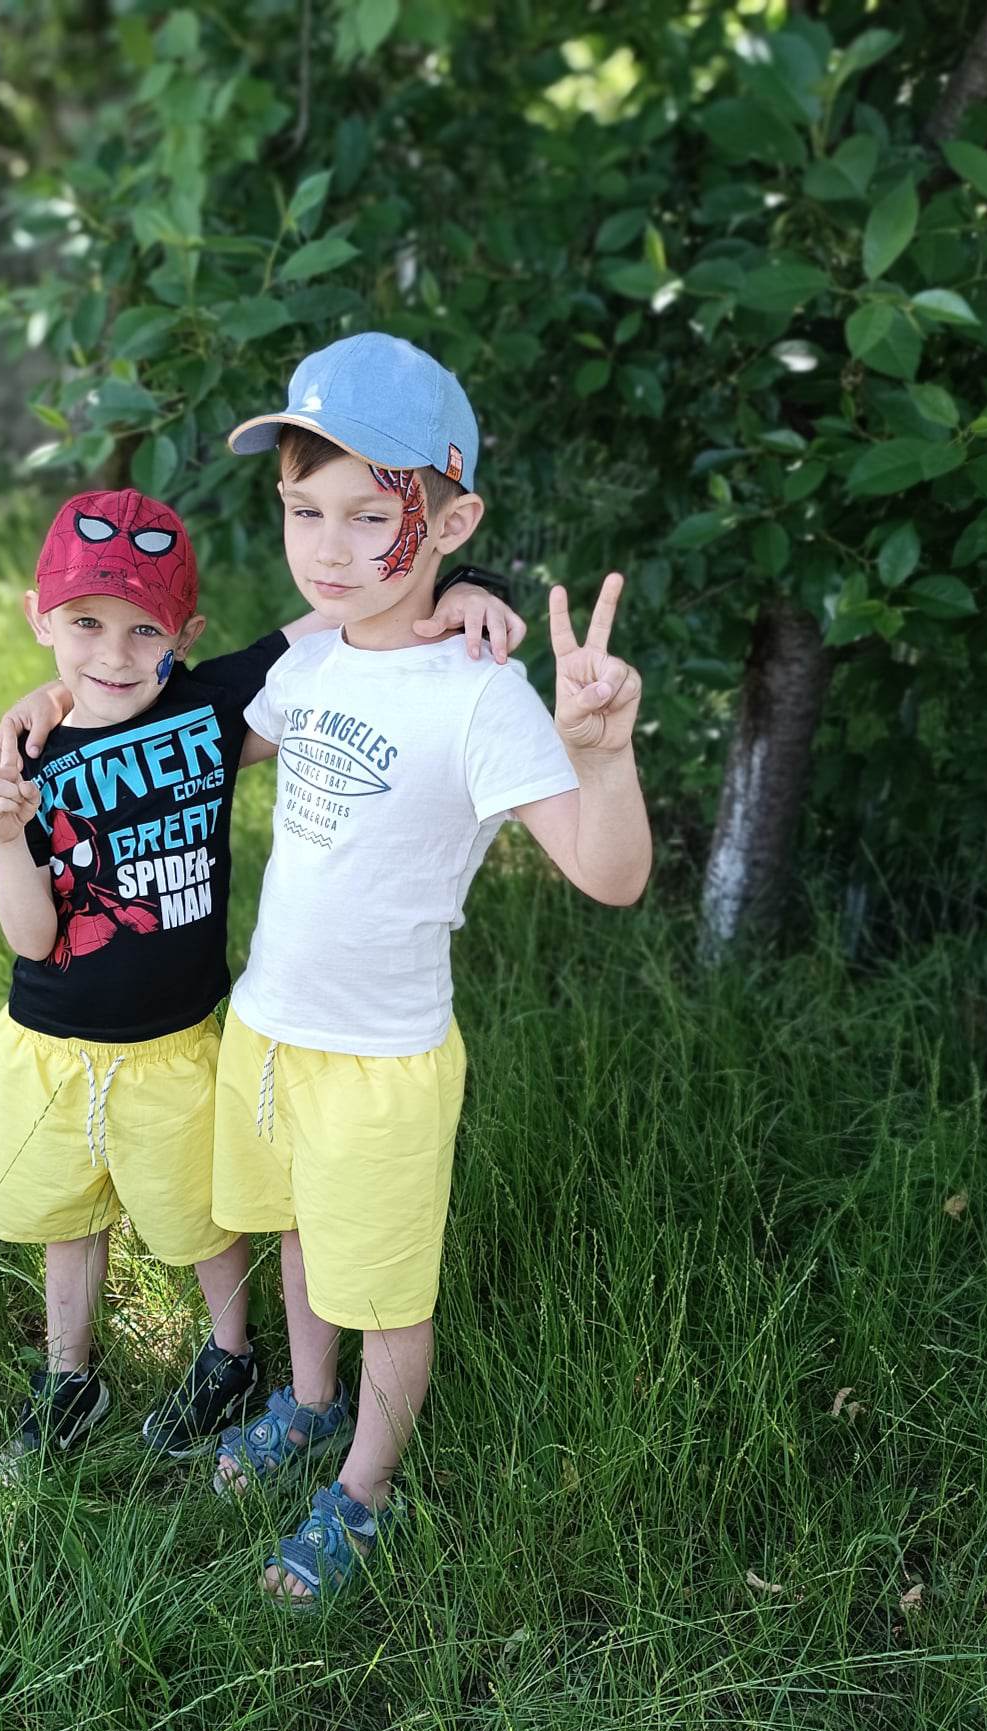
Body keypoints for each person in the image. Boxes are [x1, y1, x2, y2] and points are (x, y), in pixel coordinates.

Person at [205, 332, 652, 1603]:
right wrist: (62, 701)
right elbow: (199, 733)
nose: (330, 546)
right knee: (299, 1229)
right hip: (270, 1025)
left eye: (370, 515)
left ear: (450, 522)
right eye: (304, 510)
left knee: (388, 1285)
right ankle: (307, 1400)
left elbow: (610, 874)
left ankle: (365, 1486)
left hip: (385, 1056)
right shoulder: (308, 660)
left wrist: (602, 755)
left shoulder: (481, 693)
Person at [0, 483, 523, 1474]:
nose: (113, 655)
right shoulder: (33, 755)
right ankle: (69, 1376)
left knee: (202, 1217)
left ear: (186, 635)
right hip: (52, 1035)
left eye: (145, 630)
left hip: (179, 1040)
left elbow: (346, 616)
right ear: (38, 618)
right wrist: (8, 833)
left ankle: (230, 1354)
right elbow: (31, 933)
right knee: (67, 1216)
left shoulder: (214, 703)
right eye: (84, 624)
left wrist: (466, 585)